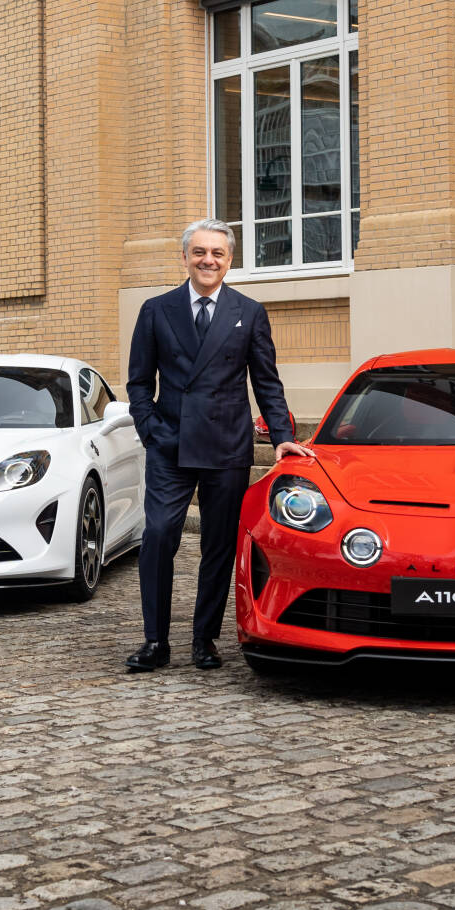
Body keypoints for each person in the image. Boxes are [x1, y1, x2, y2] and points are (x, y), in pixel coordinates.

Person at [124, 218, 311, 672]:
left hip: (226, 446)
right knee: (158, 535)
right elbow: (138, 382)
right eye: (200, 252)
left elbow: (267, 382)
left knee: (218, 546)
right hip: (170, 445)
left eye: (217, 254)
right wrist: (151, 430)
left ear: (229, 261)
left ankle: (204, 639)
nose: (208, 260)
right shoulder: (156, 310)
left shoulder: (249, 311)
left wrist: (283, 437)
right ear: (185, 257)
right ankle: (155, 640)